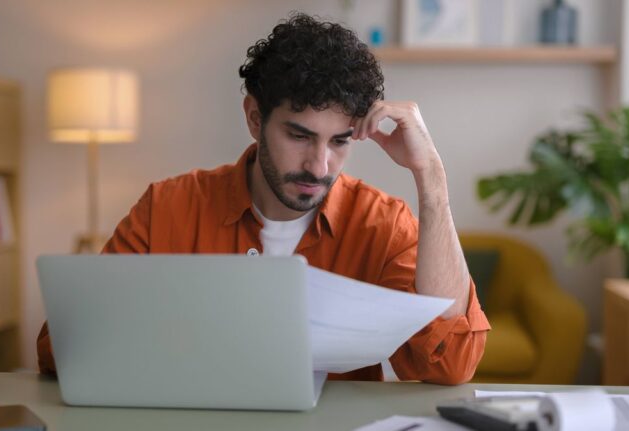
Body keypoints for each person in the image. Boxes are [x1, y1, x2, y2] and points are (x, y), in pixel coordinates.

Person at [37, 13, 490, 385]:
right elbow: (60, 351)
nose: (319, 166)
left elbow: (450, 365)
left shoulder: (383, 224)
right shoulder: (167, 207)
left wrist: (432, 181)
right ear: (255, 118)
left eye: (339, 141)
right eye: (299, 136)